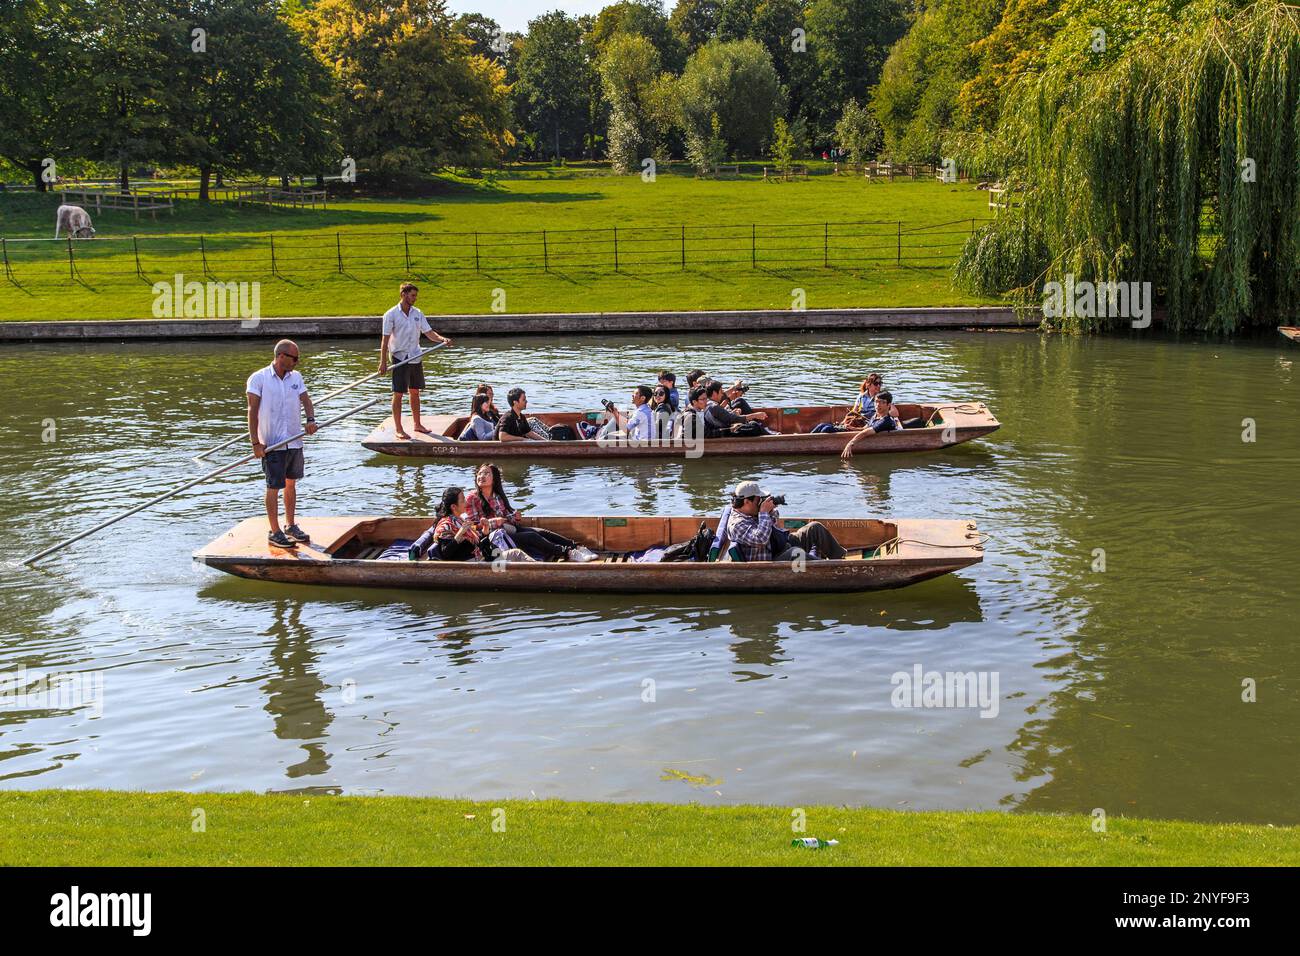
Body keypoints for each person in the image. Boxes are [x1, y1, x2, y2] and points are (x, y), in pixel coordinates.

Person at [247, 339, 318, 549]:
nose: (297, 362)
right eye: (294, 358)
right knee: (273, 486)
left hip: (294, 441)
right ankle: (275, 531)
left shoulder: (295, 377)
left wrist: (311, 420)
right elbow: (252, 412)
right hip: (273, 444)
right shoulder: (258, 379)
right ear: (281, 357)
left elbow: (306, 400)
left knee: (291, 483)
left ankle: (290, 525)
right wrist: (255, 443)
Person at [465, 463, 598, 561]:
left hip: (508, 530)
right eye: (480, 473)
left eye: (486, 473)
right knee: (532, 537)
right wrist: (493, 522)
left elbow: (507, 519)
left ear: (494, 479)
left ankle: (577, 547)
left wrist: (514, 516)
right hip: (494, 539)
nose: (481, 476)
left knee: (540, 531)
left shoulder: (497, 496)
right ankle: (567, 553)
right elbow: (474, 526)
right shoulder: (472, 498)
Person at [379, 282, 452, 440]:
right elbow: (384, 341)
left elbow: (429, 332)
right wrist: (383, 362)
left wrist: (442, 339)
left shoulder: (418, 313)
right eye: (412, 295)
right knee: (398, 393)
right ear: (403, 294)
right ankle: (399, 429)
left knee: (415, 391)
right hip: (400, 357)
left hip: (415, 355)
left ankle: (417, 424)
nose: (415, 298)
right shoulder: (390, 314)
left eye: (415, 296)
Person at [724, 480, 847, 562]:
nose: (760, 502)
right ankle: (830, 569)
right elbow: (761, 539)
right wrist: (763, 513)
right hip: (770, 562)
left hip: (779, 546)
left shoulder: (751, 511)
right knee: (796, 553)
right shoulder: (737, 524)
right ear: (747, 502)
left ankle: (840, 560)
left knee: (814, 528)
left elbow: (775, 525)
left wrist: (771, 511)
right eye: (758, 500)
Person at [840, 392, 903, 459]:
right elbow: (865, 428)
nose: (878, 405)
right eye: (876, 401)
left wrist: (850, 443)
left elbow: (866, 432)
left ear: (889, 405)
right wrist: (852, 428)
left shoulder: (886, 421)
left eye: (883, 402)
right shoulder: (876, 415)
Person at [704, 380, 769, 436]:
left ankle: (764, 430)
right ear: (714, 393)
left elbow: (722, 416)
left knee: (752, 424)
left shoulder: (708, 403)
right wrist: (755, 415)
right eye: (721, 391)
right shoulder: (713, 406)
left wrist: (732, 412)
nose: (722, 394)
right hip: (726, 432)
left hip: (723, 427)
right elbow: (733, 419)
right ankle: (772, 436)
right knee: (754, 426)